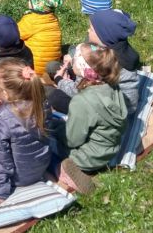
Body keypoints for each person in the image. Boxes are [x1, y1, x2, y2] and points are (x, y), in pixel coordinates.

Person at [54, 43, 128, 194]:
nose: (71, 60)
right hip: (111, 149)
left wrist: (57, 128)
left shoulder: (82, 101)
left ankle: (70, 171)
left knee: (48, 142)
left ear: (83, 68)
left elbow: (72, 140)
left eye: (75, 59)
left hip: (87, 158)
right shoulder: (112, 85)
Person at [0, 59, 52, 204]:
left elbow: (1, 159)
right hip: (40, 168)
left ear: (4, 92)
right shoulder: (43, 103)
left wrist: (1, 193)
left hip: (18, 177)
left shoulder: (1, 116)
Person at [88, 9, 141, 115]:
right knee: (54, 66)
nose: (88, 30)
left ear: (104, 37)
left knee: (56, 97)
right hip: (100, 96)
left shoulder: (121, 65)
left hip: (113, 111)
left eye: (91, 29)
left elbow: (129, 104)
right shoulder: (105, 47)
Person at [17, 0, 64, 77]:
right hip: (52, 68)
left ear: (37, 3)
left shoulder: (31, 20)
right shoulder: (53, 19)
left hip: (34, 69)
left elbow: (14, 34)